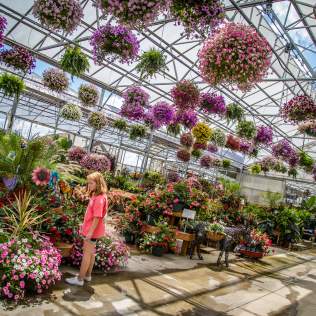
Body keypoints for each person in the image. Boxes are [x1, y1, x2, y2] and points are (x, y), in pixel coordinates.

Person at [65, 172, 108, 286]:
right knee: (91, 253)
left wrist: (90, 232)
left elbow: (97, 217)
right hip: (92, 230)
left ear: (98, 183)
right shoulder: (97, 195)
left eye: (91, 183)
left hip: (92, 231)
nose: (89, 185)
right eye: (88, 183)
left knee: (86, 254)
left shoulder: (99, 198)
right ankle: (88, 275)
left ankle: (80, 279)